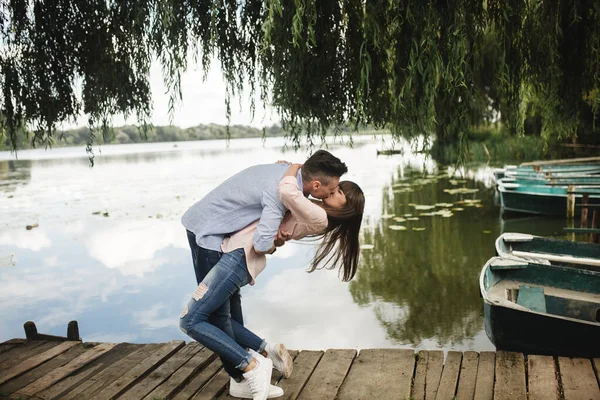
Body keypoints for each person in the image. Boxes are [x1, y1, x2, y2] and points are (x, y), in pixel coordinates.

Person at [181, 151, 349, 399]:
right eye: (333, 188)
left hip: (219, 236)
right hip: (209, 233)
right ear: (316, 184)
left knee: (222, 314)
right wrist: (272, 240)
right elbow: (261, 243)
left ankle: (243, 374)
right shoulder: (280, 192)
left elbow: (285, 208)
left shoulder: (288, 181)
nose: (332, 192)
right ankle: (248, 367)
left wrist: (292, 167)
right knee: (214, 315)